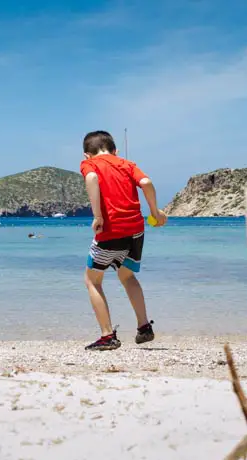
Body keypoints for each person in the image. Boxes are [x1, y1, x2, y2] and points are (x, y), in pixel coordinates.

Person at [80, 130, 167, 351]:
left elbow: (91, 178)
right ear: (115, 150)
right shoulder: (127, 164)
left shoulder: (90, 165)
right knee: (126, 275)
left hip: (110, 231)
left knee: (92, 280)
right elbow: (146, 182)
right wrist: (155, 211)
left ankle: (107, 335)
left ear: (86, 155)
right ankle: (144, 326)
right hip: (136, 231)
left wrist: (98, 216)